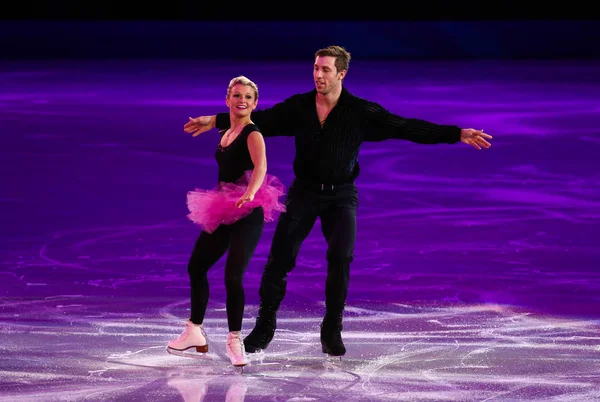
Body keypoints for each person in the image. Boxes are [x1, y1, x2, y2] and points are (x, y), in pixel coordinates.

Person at [183, 46, 493, 357]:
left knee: (341, 259)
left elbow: (404, 126)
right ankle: (264, 327)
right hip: (304, 192)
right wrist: (215, 120)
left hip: (342, 195)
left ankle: (331, 329)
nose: (318, 74)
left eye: (325, 70)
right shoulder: (299, 107)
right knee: (279, 260)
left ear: (341, 74)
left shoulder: (360, 112)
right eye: (316, 68)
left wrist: (456, 133)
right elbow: (259, 119)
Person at [168, 76, 286, 368]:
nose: (242, 100)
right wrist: (209, 120)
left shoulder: (252, 134)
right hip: (222, 209)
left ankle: (235, 338)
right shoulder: (226, 131)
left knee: (233, 276)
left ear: (255, 104)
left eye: (247, 96)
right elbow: (223, 122)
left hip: (248, 211)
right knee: (197, 266)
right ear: (228, 99)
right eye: (236, 95)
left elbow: (262, 167)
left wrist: (250, 192)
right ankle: (194, 330)